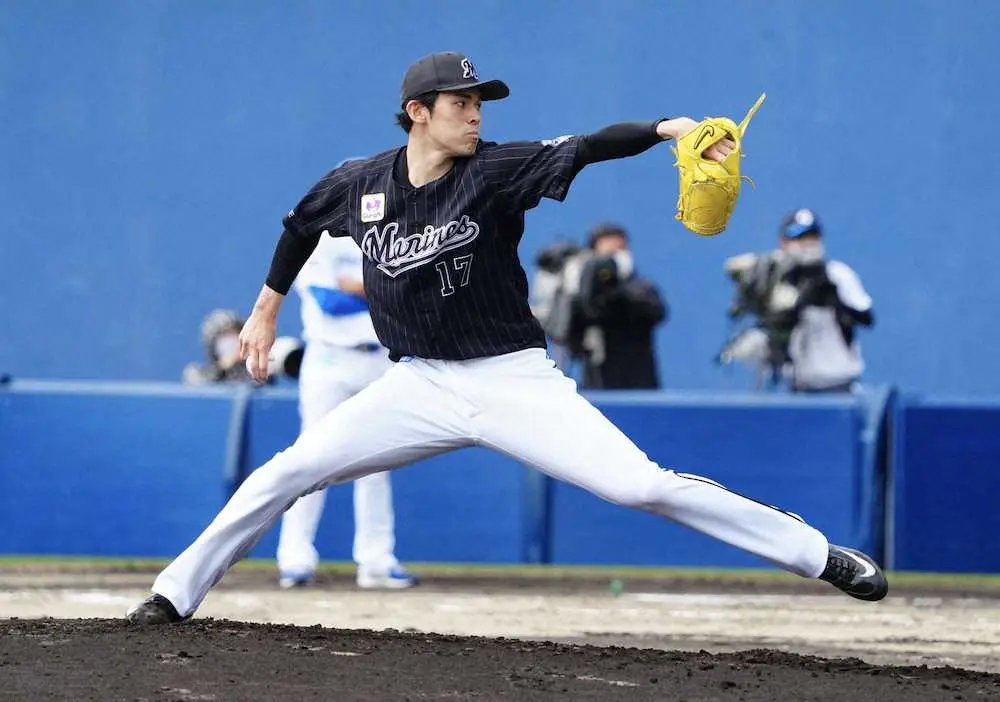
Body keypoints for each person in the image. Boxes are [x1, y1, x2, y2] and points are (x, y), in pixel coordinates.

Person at [127, 51, 887, 625]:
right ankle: (171, 596)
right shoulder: (360, 184)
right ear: (418, 111)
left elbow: (588, 146)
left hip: (512, 379)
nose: (477, 113)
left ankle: (817, 554)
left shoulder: (494, 172)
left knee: (639, 485)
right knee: (287, 472)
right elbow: (299, 227)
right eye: (462, 102)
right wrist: (265, 308)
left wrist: (667, 132)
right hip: (418, 383)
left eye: (480, 101)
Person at [277, 204, 417, 590]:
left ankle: (376, 562)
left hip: (379, 358)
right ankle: (295, 558)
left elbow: (410, 290)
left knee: (378, 461)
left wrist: (360, 285)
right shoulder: (317, 240)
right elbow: (329, 300)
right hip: (329, 359)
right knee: (311, 458)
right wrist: (383, 288)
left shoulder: (391, 237)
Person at [719, 209, 874, 393]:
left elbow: (866, 317)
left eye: (812, 237)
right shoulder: (777, 278)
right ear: (784, 243)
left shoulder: (837, 275)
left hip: (840, 386)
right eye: (799, 238)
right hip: (797, 387)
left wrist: (833, 300)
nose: (807, 245)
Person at [575, 223, 667, 389]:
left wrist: (619, 290)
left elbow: (658, 313)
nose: (616, 259)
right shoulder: (581, 293)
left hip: (638, 381)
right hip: (596, 383)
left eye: (621, 250)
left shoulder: (642, 288)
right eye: (609, 254)